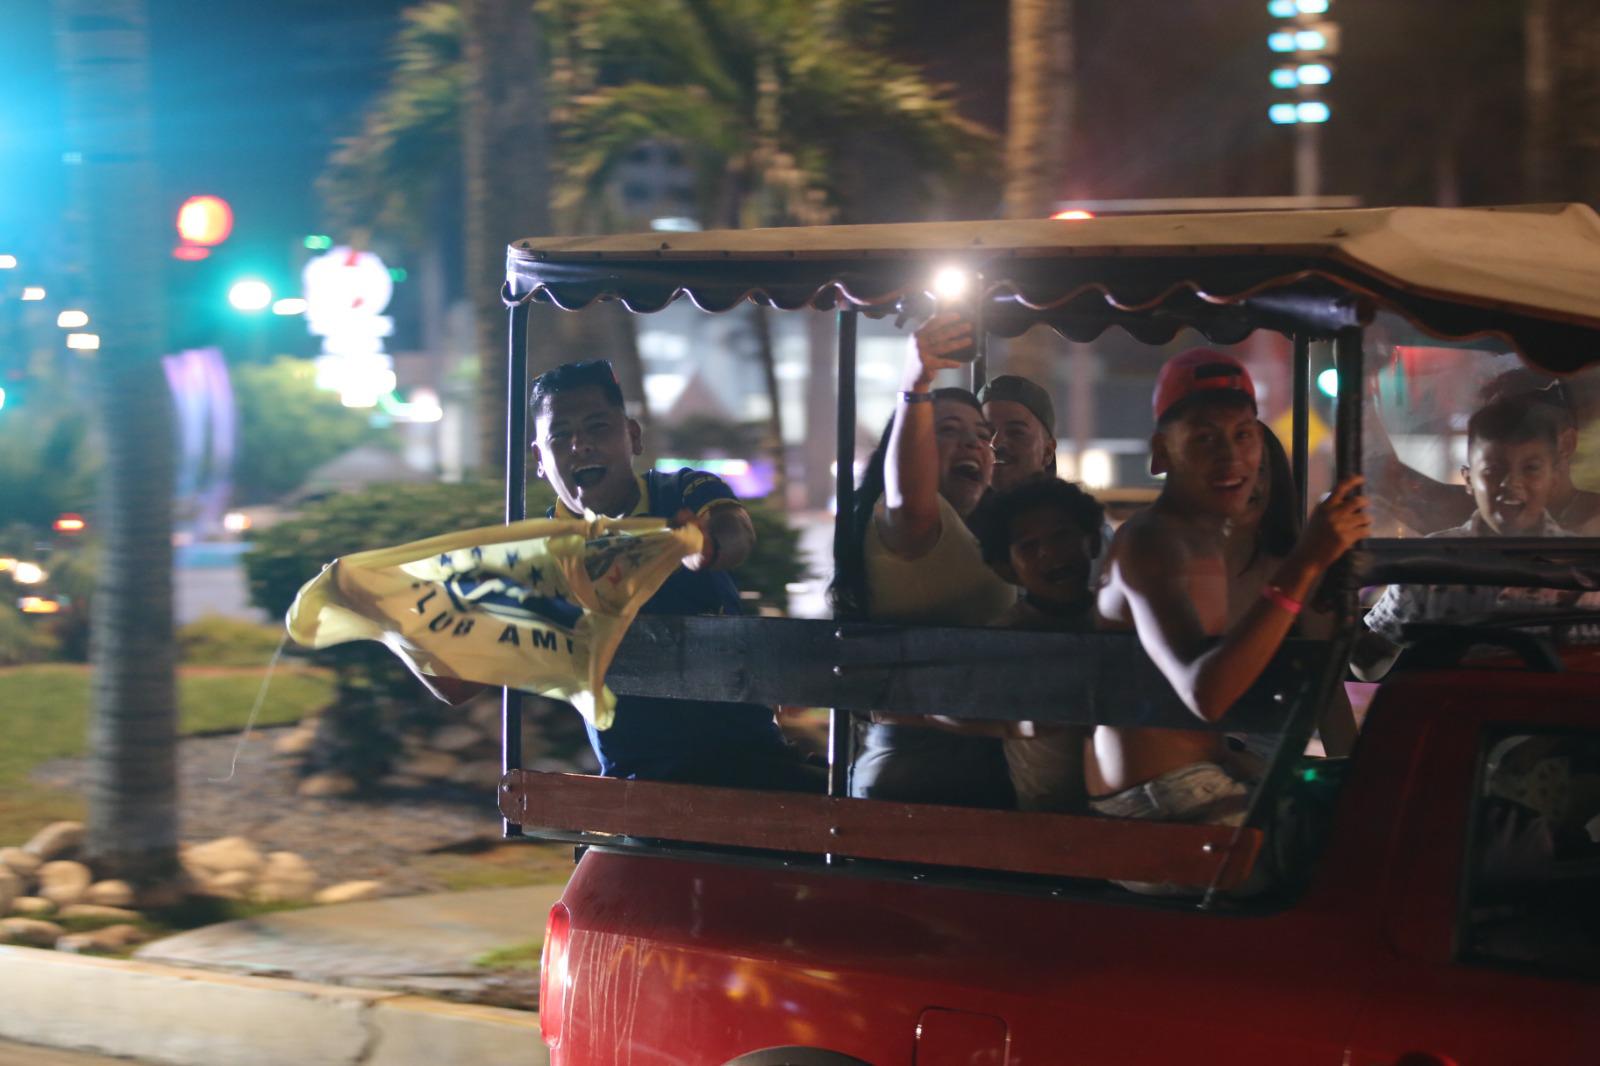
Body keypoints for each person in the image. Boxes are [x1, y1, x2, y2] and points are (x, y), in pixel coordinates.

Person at [1092, 348, 1369, 886]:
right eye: (1204, 439)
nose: (1232, 459)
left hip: (1193, 780)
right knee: (1364, 869)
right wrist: (1309, 560)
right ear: (1160, 454)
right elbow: (1206, 694)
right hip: (1162, 800)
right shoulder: (1152, 540)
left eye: (1243, 436)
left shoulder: (1196, 542)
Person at [531, 359, 822, 790]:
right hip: (635, 786)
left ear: (632, 435)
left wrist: (705, 546)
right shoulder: (539, 555)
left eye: (597, 428)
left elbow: (734, 531)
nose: (581, 446)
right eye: (560, 435)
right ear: (540, 458)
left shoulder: (682, 492)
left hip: (751, 767)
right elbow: (459, 677)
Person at [830, 313, 1019, 808]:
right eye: (948, 430)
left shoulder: (989, 540)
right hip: (928, 767)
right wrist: (915, 384)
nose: (974, 443)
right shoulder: (910, 528)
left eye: (983, 435)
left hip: (980, 760)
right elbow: (908, 497)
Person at [1352, 397, 1573, 682]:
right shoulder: (1427, 568)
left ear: (1554, 478)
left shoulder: (1584, 565)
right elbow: (1371, 663)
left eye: (1530, 468)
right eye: (1494, 470)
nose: (1511, 484)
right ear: (1468, 479)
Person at [977, 477, 1105, 811]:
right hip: (1047, 819)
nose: (1048, 552)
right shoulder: (1003, 639)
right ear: (1007, 569)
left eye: (1062, 536)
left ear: (1091, 542)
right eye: (1028, 546)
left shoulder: (1119, 622)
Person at [1367, 366, 1600, 535]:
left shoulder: (1591, 527)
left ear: (1567, 443)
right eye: (1493, 429)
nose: (1510, 482)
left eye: (1526, 430)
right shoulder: (1471, 514)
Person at [979, 374, 1057, 493]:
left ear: (1047, 452)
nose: (995, 443)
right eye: (986, 432)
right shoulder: (952, 509)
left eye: (1015, 432)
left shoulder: (1067, 511)